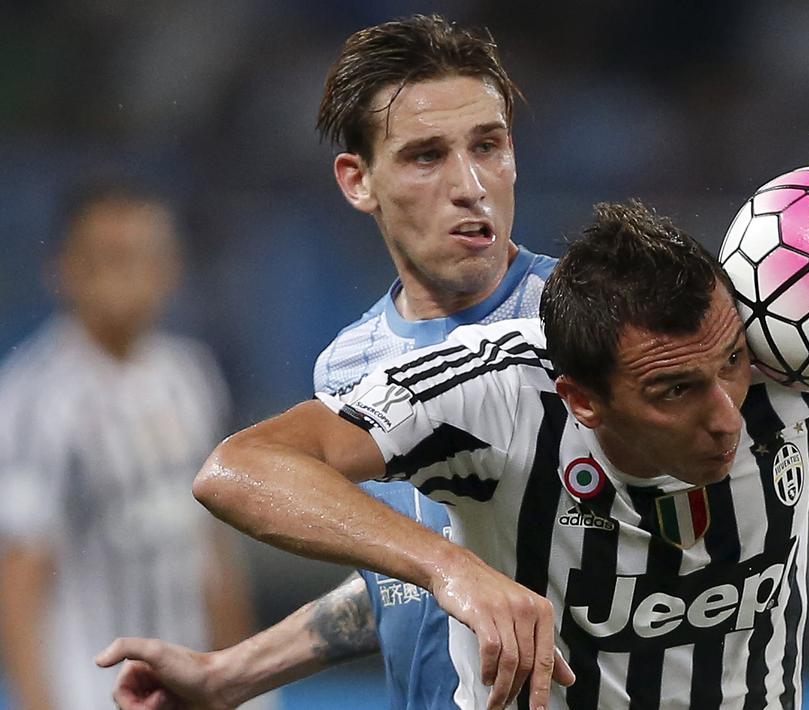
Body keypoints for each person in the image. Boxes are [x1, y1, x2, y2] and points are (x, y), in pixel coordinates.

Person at [190, 199, 809, 709]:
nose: (727, 416)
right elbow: (240, 468)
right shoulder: (492, 393)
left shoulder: (771, 342)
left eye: (733, 369)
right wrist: (447, 569)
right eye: (675, 392)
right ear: (580, 399)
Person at [95, 14, 554, 710]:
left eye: (487, 146)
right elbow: (405, 585)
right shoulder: (348, 367)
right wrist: (233, 673)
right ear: (357, 181)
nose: (470, 184)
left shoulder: (589, 328)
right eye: (426, 156)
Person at [0, 185, 263, 710]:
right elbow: (20, 574)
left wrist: (246, 682)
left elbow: (213, 551)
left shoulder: (189, 376)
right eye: (111, 258)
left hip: (188, 685)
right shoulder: (35, 396)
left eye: (147, 257)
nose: (130, 276)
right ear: (65, 268)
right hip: (88, 692)